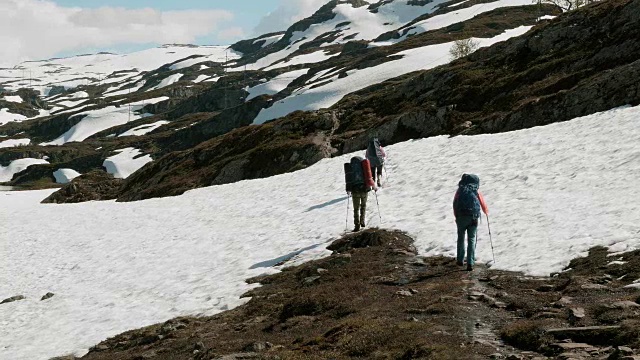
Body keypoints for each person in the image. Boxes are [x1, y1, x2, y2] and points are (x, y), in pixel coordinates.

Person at [452, 174, 488, 271]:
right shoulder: (476, 190)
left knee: (461, 237)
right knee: (471, 239)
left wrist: (457, 216)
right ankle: (470, 263)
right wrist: (485, 212)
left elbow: (455, 203)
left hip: (461, 217)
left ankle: (460, 260)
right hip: (473, 217)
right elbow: (483, 205)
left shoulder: (460, 191)